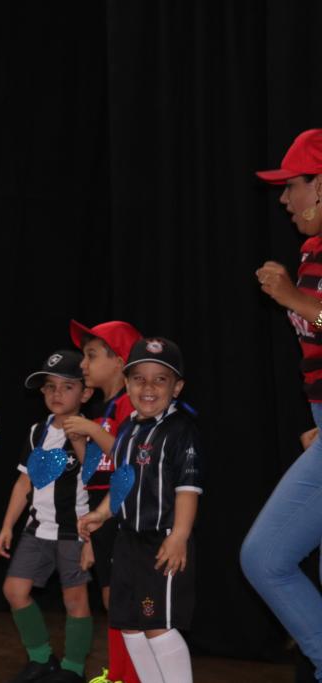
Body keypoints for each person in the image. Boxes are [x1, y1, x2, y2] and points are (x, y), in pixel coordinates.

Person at [243, 128, 322, 681]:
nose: (284, 198)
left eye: (292, 185)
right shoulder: (312, 250)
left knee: (266, 558)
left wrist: (293, 297)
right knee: (267, 558)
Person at [79, 338, 202, 683]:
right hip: (127, 543)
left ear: (176, 387)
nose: (148, 388)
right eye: (139, 379)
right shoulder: (128, 429)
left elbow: (188, 489)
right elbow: (123, 480)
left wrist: (179, 536)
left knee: (157, 626)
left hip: (161, 543)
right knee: (130, 626)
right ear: (127, 383)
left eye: (160, 379)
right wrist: (101, 513)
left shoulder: (181, 431)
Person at [0, 350, 93, 683]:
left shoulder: (93, 431)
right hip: (37, 529)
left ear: (85, 393)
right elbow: (24, 482)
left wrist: (80, 440)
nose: (57, 394)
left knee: (74, 598)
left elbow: (97, 478)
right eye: (50, 387)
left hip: (74, 530)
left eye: (67, 387)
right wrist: (7, 526)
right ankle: (41, 658)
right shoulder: (38, 431)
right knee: (14, 590)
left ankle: (74, 668)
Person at [61, 319, 142, 683]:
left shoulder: (131, 406)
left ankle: (132, 676)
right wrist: (82, 440)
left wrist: (92, 430)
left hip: (125, 518)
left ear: (120, 360)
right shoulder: (105, 411)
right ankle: (118, 674)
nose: (83, 364)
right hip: (104, 519)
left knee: (129, 603)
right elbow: (93, 473)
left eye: (91, 355)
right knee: (112, 602)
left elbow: (132, 461)